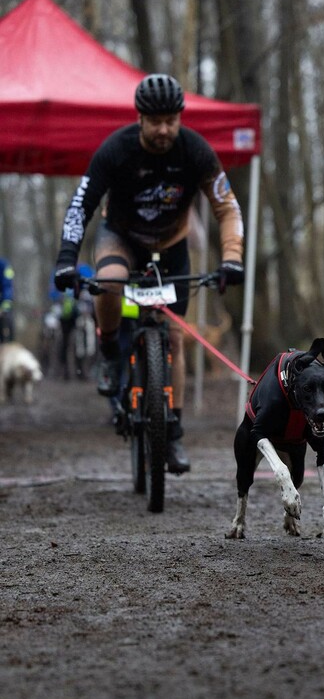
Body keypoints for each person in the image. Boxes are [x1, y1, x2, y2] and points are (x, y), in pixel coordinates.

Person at [53, 73, 244, 474]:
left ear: (180, 118)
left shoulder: (195, 150)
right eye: (155, 121)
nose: (163, 129)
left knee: (173, 334)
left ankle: (172, 432)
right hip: (120, 237)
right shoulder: (115, 150)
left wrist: (231, 258)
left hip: (172, 245)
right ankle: (109, 353)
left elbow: (226, 206)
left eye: (171, 120)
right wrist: (67, 258)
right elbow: (80, 205)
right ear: (139, 118)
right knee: (107, 284)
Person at [0, 256, 15, 343]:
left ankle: (8, 343)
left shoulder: (4, 265)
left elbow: (8, 286)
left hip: (3, 303)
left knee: (7, 322)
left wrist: (5, 307)